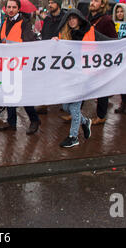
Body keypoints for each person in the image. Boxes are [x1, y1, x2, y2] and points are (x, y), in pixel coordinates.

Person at [53, 9, 111, 148]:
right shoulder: (64, 35)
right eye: (69, 19)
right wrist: (54, 41)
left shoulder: (90, 32)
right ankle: (85, 122)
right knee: (66, 106)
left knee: (74, 107)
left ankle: (73, 137)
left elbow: (108, 42)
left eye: (74, 18)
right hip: (68, 76)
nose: (71, 21)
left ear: (80, 19)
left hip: (84, 75)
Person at [0, 0, 41, 135]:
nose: (11, 9)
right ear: (5, 9)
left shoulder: (24, 24)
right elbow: (2, 43)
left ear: (18, 9)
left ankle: (35, 120)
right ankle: (11, 122)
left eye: (14, 7)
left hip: (20, 65)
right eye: (9, 7)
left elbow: (28, 42)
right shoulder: (4, 24)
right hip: (7, 65)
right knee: (9, 94)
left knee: (22, 95)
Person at [87, 0, 117, 125]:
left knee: (101, 88)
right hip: (88, 57)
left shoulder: (106, 20)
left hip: (100, 59)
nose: (92, 3)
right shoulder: (88, 18)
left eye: (96, 1)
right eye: (92, 0)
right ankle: (75, 111)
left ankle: (101, 115)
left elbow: (113, 40)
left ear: (103, 5)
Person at [36, 0, 66, 115]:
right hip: (48, 53)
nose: (50, 5)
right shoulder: (48, 19)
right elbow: (44, 34)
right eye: (49, 2)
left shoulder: (65, 18)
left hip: (61, 53)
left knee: (61, 79)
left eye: (52, 3)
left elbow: (68, 33)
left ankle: (65, 103)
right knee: (46, 78)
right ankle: (44, 103)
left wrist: (59, 39)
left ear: (58, 4)